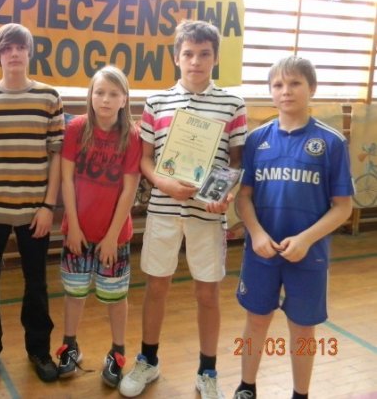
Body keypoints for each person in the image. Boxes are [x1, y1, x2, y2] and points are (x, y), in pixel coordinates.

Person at [120, 20, 247, 399]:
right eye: (188, 54)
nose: (196, 61)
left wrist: (221, 193)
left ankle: (208, 371)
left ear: (215, 58)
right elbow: (145, 159)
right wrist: (165, 184)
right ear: (176, 57)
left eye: (204, 54)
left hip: (208, 214)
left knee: (207, 293)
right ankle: (148, 360)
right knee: (156, 286)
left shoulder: (233, 104)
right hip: (163, 208)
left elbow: (236, 161)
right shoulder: (156, 102)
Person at [232, 57, 353, 399]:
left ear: (311, 88)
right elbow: (243, 197)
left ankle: (301, 393)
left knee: (302, 329)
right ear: (270, 92)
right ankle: (246, 386)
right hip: (261, 252)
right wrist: (256, 232)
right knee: (256, 321)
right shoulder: (256, 140)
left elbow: (343, 207)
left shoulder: (331, 142)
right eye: (278, 85)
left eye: (295, 83)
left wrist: (305, 239)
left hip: (308, 255)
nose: (286, 91)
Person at [0, 22, 65, 386]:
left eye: (20, 47)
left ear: (29, 52)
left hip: (34, 212)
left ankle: (39, 350)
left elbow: (56, 156)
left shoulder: (49, 98)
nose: (14, 53)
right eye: (7, 48)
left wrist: (48, 206)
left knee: (36, 283)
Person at [54, 66, 142, 388]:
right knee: (74, 292)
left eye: (113, 94)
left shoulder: (132, 135)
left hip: (113, 237)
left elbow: (130, 189)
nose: (105, 99)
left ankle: (117, 352)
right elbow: (66, 179)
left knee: (115, 296)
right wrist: (74, 226)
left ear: (124, 99)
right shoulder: (77, 128)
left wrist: (111, 237)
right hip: (77, 232)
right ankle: (69, 345)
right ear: (90, 95)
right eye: (100, 92)